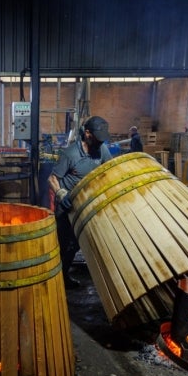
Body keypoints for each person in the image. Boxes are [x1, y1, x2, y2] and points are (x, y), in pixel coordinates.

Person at [48, 115, 113, 289]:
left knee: (75, 244)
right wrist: (61, 194)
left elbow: (109, 171)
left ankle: (65, 275)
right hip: (67, 207)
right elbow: (53, 178)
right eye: (97, 139)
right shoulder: (71, 153)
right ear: (87, 133)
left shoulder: (102, 150)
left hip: (86, 206)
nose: (100, 144)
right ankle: (56, 279)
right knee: (63, 243)